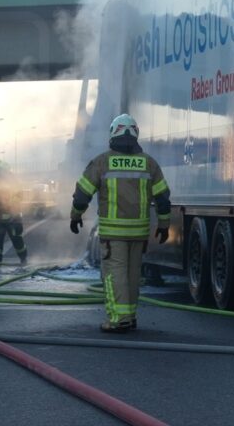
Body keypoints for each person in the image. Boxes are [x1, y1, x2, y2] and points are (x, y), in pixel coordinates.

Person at [70, 113, 172, 333]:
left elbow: (81, 195)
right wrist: (164, 225)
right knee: (133, 274)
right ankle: (130, 315)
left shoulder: (102, 162)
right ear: (136, 134)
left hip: (113, 233)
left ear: (112, 134)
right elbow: (163, 200)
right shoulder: (149, 164)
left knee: (114, 273)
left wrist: (75, 215)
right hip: (139, 233)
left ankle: (119, 318)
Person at [0, 160, 28, 266]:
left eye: (0, 171)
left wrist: (10, 207)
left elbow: (19, 197)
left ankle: (23, 259)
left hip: (13, 218)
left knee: (17, 240)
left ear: (5, 171)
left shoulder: (15, 182)